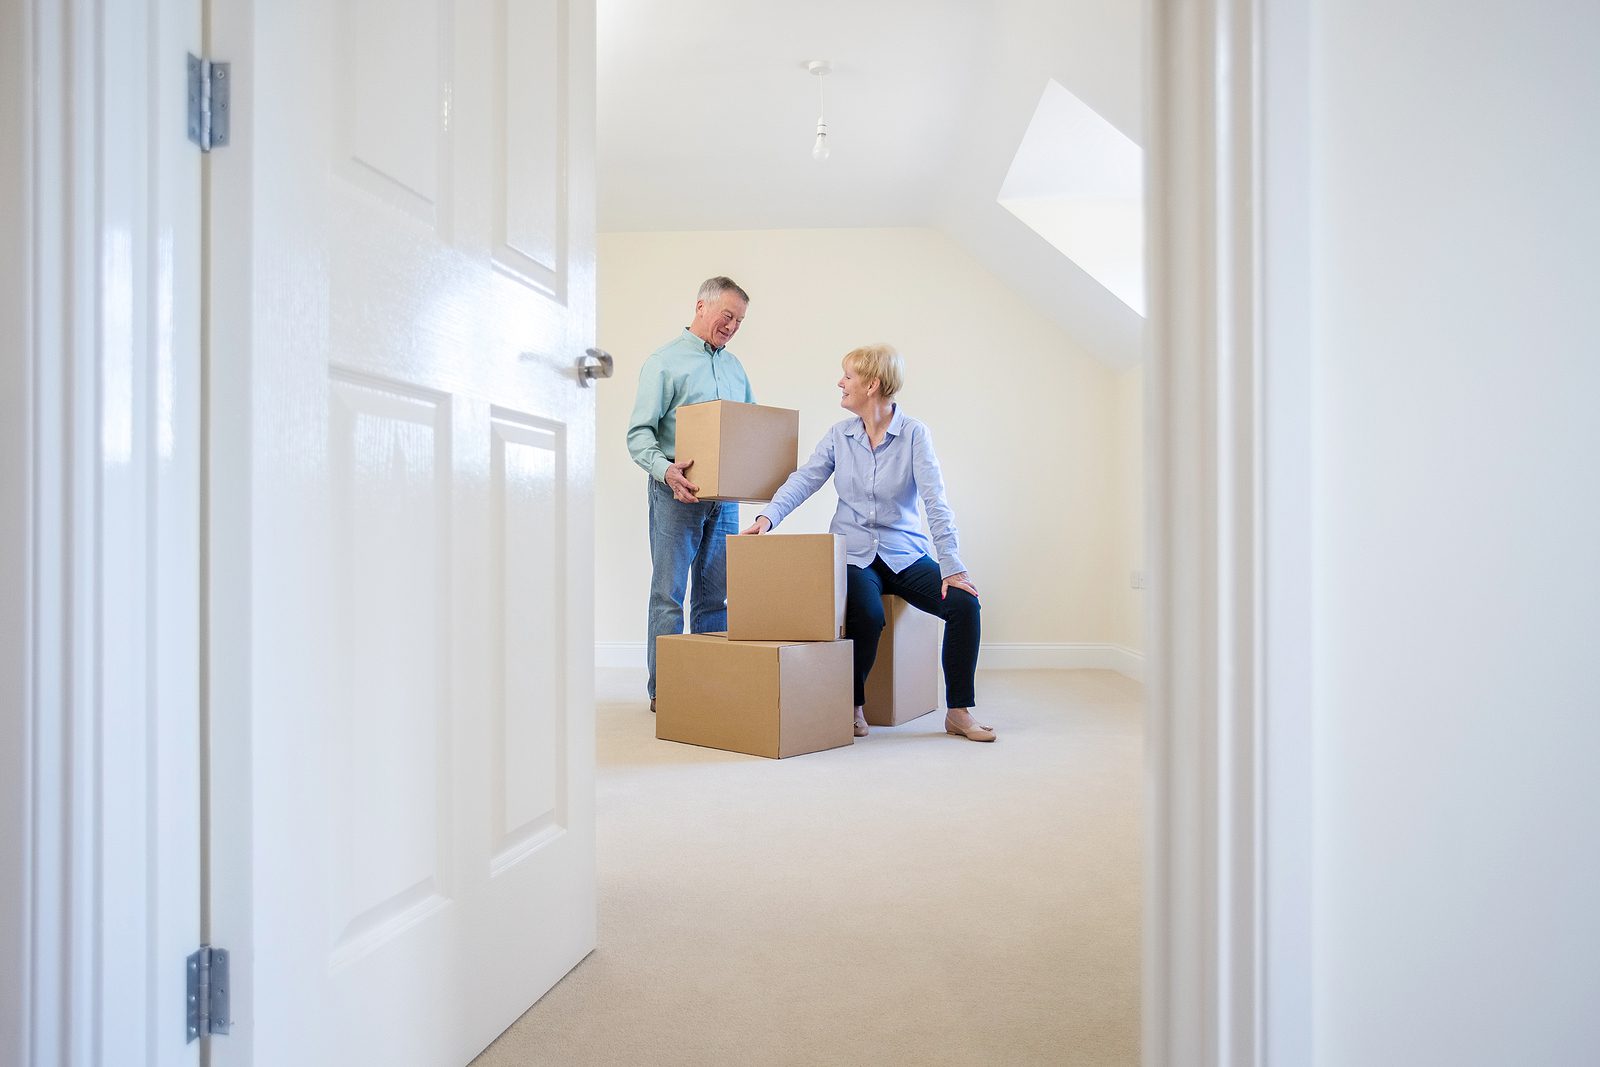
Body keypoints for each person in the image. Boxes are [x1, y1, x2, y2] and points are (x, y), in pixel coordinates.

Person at [742, 344, 992, 742]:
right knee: (867, 613)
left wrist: (952, 565)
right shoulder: (839, 436)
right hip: (854, 554)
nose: (839, 383)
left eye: (848, 376)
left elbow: (935, 502)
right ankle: (853, 705)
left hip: (905, 553)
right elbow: (805, 479)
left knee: (965, 604)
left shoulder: (914, 435)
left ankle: (958, 712)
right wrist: (767, 517)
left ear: (872, 384)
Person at [627, 277, 755, 712]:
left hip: (725, 500)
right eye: (727, 316)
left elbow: (748, 427)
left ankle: (708, 681)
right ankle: (665, 690)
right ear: (702, 306)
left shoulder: (736, 368)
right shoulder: (663, 362)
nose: (733, 326)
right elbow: (639, 434)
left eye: (739, 320)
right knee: (668, 595)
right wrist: (666, 472)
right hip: (675, 496)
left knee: (714, 597)